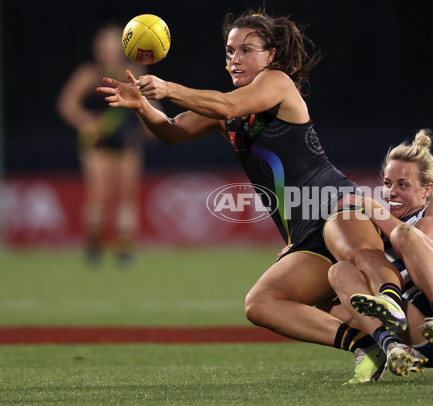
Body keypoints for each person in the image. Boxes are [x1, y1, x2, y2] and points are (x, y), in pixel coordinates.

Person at [98, 10, 404, 384]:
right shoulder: (227, 107)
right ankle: (366, 345)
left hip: (335, 202)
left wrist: (167, 89)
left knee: (357, 253)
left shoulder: (277, 83)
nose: (235, 59)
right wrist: (143, 106)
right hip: (302, 232)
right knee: (260, 305)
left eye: (246, 50)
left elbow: (227, 106)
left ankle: (391, 298)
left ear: (270, 56)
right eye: (229, 51)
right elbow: (173, 132)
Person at [328, 129, 433, 377]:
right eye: (386, 183)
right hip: (422, 337)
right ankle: (391, 347)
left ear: (427, 190)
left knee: (405, 235)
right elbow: (347, 308)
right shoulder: (378, 233)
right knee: (339, 270)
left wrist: (370, 207)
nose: (391, 192)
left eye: (402, 185)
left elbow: (416, 238)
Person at [57, 23, 151, 266]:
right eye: (103, 46)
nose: (107, 51)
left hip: (127, 142)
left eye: (112, 46)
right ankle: (94, 243)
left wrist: (152, 126)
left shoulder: (131, 72)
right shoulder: (88, 74)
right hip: (97, 143)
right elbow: (67, 104)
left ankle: (125, 247)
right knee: (99, 193)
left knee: (127, 193)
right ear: (97, 49)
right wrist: (88, 121)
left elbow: (148, 106)